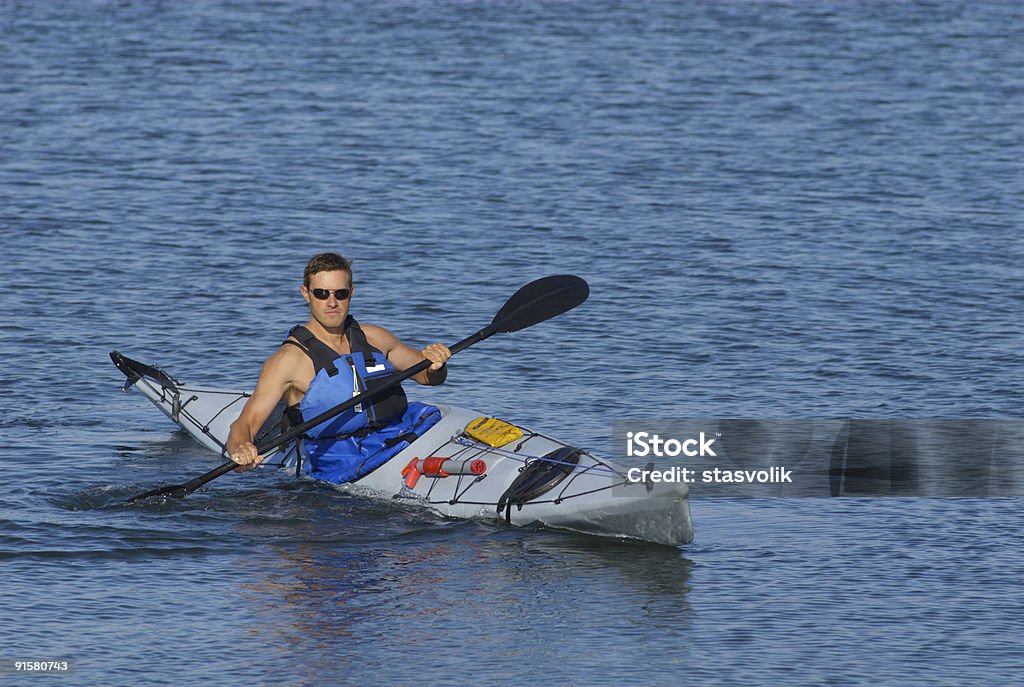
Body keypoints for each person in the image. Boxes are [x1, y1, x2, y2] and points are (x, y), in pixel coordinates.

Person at [226, 252, 451, 483]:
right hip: (337, 459)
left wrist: (436, 366)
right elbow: (245, 424)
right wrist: (241, 447)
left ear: (351, 293)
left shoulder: (375, 338)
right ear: (306, 294)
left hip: (398, 434)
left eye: (340, 294)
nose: (332, 302)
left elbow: (428, 378)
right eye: (322, 294)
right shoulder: (287, 361)